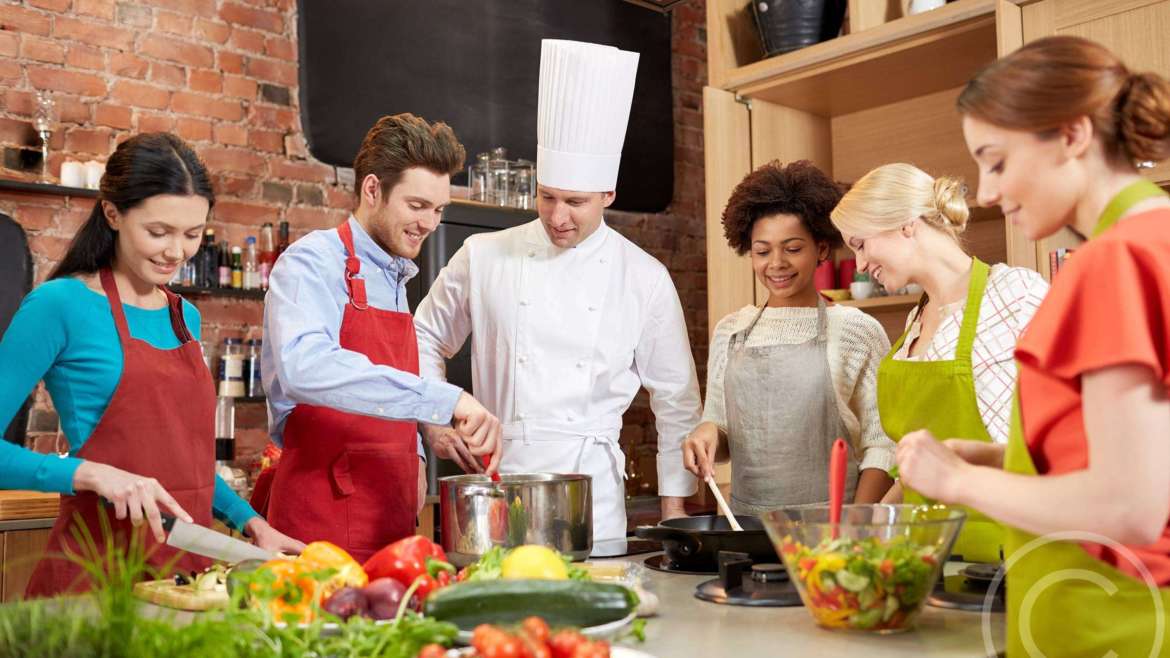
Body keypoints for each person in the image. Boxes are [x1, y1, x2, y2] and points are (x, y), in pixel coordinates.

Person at [895, 35, 1170, 656]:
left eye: (996, 162)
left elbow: (1129, 508)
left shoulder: (1115, 260)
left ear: (1072, 135)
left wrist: (956, 481)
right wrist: (1006, 459)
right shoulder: (1156, 235)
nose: (987, 192)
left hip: (1111, 625)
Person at [413, 40, 702, 542]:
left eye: (575, 202)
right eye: (547, 197)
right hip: (500, 485)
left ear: (608, 194)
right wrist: (435, 420)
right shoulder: (483, 255)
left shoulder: (644, 276)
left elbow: (676, 400)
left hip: (593, 494)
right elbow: (422, 335)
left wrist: (675, 511)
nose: (557, 216)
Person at [0, 133, 303, 597]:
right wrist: (88, 473)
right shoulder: (59, 305)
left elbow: (187, 467)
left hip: (186, 579)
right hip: (95, 580)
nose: (176, 252)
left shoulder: (184, 316)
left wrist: (252, 524)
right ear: (113, 214)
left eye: (192, 234)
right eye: (158, 232)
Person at [262, 114, 501, 562]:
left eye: (439, 209)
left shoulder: (394, 277)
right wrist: (446, 399)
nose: (429, 223)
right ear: (372, 189)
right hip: (319, 523)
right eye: (417, 205)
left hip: (389, 519)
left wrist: (417, 452)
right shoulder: (312, 261)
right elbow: (305, 366)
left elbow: (383, 387)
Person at [831, 162, 1048, 563]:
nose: (859, 265)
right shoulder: (914, 325)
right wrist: (875, 521)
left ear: (905, 224)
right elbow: (916, 466)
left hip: (1007, 558)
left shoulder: (1016, 295)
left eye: (860, 244)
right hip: (926, 559)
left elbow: (1058, 442)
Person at [682, 160, 895, 514]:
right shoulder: (731, 331)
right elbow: (721, 427)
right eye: (762, 251)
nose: (776, 263)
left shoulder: (857, 331)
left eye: (793, 248)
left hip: (830, 529)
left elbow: (883, 444)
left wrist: (855, 526)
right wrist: (705, 435)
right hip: (746, 527)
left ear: (821, 249)